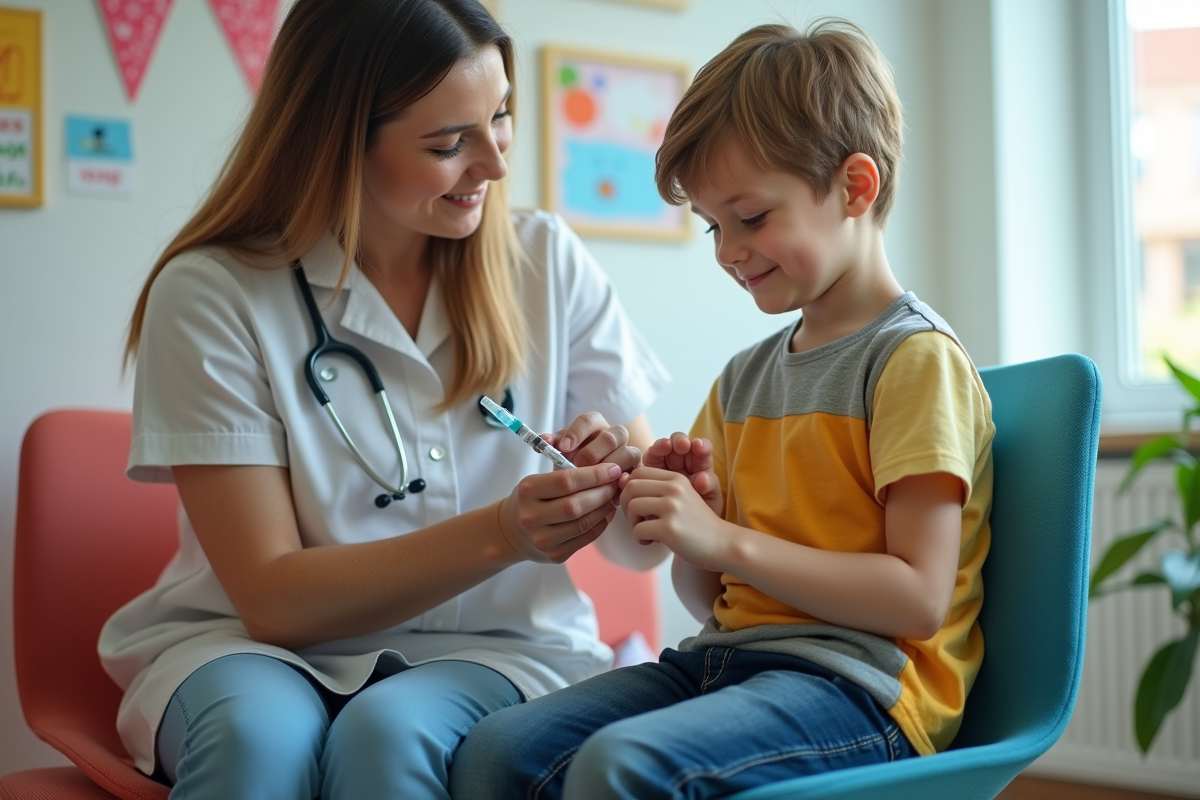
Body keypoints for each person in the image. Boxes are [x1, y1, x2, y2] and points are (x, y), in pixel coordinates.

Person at [98, 1, 671, 798]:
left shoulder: (546, 263)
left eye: (500, 117)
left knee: (391, 734)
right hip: (253, 649)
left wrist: (632, 490)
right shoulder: (213, 292)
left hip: (500, 649)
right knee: (257, 741)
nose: (496, 165)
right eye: (447, 144)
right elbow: (271, 599)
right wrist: (505, 532)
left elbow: (640, 549)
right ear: (336, 141)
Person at [449, 19, 995, 800]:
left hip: (862, 690)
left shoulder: (912, 363)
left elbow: (916, 597)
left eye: (752, 217)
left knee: (621, 767)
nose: (726, 251)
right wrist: (684, 525)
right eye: (712, 226)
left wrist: (724, 538)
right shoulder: (743, 381)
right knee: (495, 753)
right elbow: (708, 598)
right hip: (727, 662)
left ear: (855, 186)